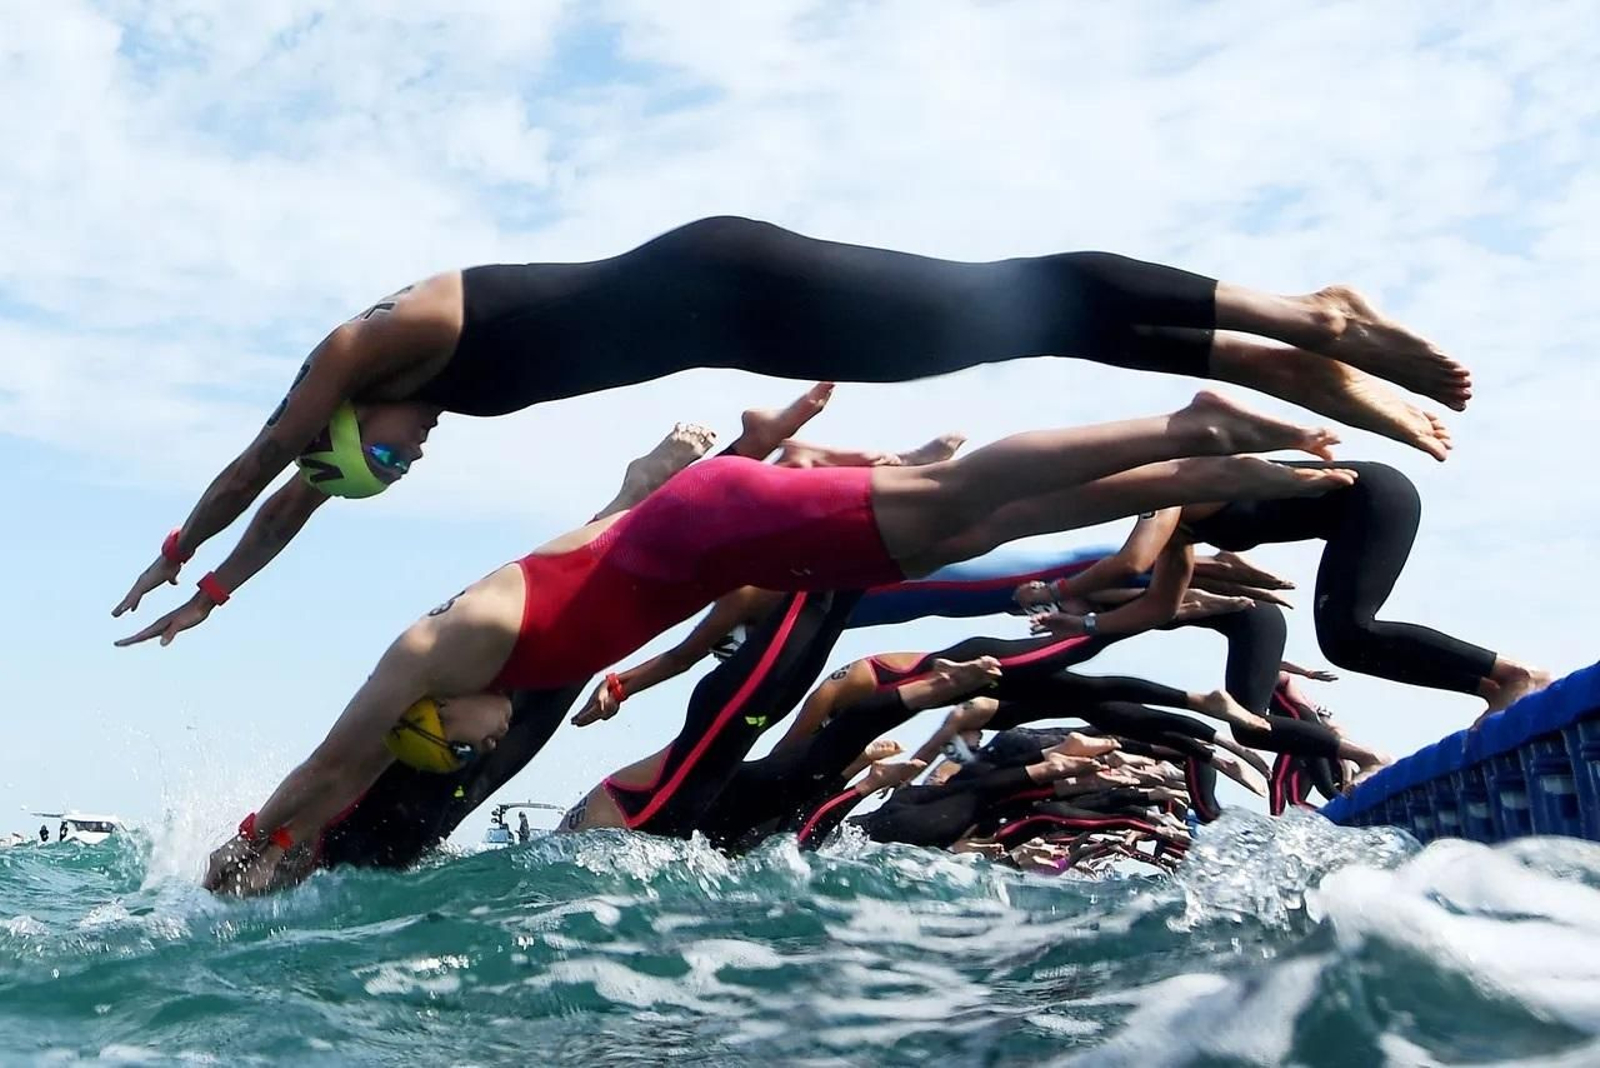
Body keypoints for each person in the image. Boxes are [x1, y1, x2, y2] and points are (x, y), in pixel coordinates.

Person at [204, 392, 1356, 893]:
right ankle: (1199, 468)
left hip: (703, 545)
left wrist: (244, 858)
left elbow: (327, 767)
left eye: (467, 742)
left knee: (971, 515)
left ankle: (1192, 446)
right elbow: (616, 542)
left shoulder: (466, 645)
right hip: (696, 547)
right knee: (982, 529)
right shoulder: (522, 669)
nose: (490, 744)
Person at [117, 217, 1464, 638]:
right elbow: (297, 487)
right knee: (1015, 324)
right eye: (392, 475)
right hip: (753, 320)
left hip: (737, 278)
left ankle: (1304, 316)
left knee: (1013, 299)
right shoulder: (400, 408)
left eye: (386, 452)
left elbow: (262, 459)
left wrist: (181, 540)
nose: (408, 461)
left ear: (359, 411)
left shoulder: (379, 340)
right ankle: (1299, 366)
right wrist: (221, 592)